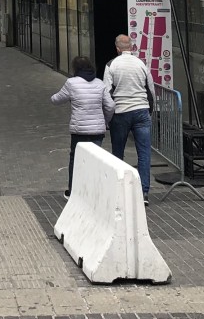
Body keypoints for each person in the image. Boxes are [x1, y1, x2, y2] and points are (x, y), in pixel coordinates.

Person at [51, 56, 115, 198]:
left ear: (75, 68)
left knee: (76, 159)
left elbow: (56, 99)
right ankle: (94, 191)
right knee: (95, 160)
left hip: (79, 129)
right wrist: (105, 121)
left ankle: (73, 191)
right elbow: (110, 106)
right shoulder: (99, 83)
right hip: (97, 130)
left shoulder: (71, 83)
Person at [103, 34, 155, 203]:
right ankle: (144, 192)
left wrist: (108, 118)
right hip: (141, 111)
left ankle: (119, 191)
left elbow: (106, 93)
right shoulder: (141, 64)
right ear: (131, 47)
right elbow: (151, 89)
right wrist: (150, 111)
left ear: (117, 48)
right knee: (144, 153)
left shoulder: (111, 65)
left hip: (121, 112)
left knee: (118, 153)